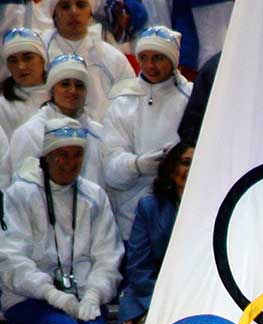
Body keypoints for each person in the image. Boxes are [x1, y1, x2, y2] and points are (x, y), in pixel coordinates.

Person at [0, 117, 123, 324]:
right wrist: (52, 294)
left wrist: (95, 293)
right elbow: (12, 261)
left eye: (76, 155)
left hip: (82, 297)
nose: (69, 163)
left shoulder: (94, 197)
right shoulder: (19, 195)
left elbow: (107, 256)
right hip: (29, 298)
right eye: (62, 155)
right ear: (46, 157)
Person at [103, 24, 191, 239]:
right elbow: (111, 169)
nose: (150, 66)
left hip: (183, 214)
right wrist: (138, 165)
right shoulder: (122, 102)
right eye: (144, 57)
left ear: (173, 60)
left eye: (158, 58)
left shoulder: (191, 96)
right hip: (132, 220)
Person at [115, 139, 192, 324]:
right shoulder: (149, 208)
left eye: (197, 164)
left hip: (198, 300)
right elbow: (138, 270)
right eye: (185, 162)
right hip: (149, 299)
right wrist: (167, 302)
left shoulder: (218, 209)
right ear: (171, 168)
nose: (190, 170)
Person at [9, 52, 105, 186]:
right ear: (52, 89)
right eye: (65, 84)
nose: (72, 91)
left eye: (79, 85)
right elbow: (21, 189)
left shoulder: (98, 132)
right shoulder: (30, 132)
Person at [39, 0, 135, 120]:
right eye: (65, 6)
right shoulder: (38, 55)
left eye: (81, 5)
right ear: (54, 14)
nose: (74, 12)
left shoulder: (113, 58)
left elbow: (131, 106)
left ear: (90, 12)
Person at [0, 27, 48, 142]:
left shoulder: (64, 95)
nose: (21, 66)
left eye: (28, 58)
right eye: (13, 61)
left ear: (42, 59)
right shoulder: (3, 106)